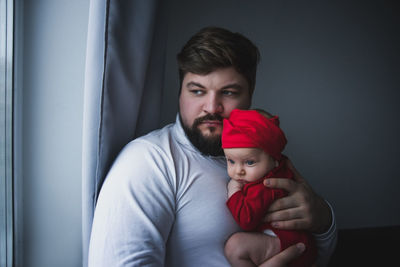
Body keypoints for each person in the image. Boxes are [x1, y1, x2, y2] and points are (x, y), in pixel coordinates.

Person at [88, 26, 337, 267]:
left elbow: (315, 253)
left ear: (249, 96)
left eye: (228, 92)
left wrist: (322, 219)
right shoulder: (148, 162)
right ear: (180, 94)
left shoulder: (263, 156)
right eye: (197, 91)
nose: (211, 107)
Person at [222, 109, 317, 267]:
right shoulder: (269, 172)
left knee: (235, 247)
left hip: (290, 244)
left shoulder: (267, 185)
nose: (238, 171)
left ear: (274, 159)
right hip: (288, 241)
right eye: (231, 161)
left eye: (249, 162)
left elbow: (246, 220)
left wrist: (233, 190)